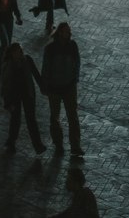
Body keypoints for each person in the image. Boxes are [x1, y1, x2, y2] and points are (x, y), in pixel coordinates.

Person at [42, 21, 84, 157]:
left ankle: (75, 146)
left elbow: (77, 63)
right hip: (54, 88)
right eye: (66, 31)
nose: (69, 33)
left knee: (73, 117)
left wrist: (74, 79)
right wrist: (46, 85)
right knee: (55, 117)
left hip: (69, 87)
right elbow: (46, 69)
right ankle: (58, 143)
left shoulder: (72, 46)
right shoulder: (50, 49)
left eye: (69, 31)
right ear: (60, 32)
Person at [0, 43, 46, 154]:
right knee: (16, 120)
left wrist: (43, 87)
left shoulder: (27, 60)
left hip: (28, 95)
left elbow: (36, 74)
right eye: (18, 51)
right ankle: (11, 142)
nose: (20, 53)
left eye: (21, 50)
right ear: (12, 54)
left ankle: (38, 146)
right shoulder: (8, 65)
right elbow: (6, 85)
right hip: (15, 96)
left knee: (31, 120)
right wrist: (7, 102)